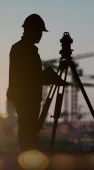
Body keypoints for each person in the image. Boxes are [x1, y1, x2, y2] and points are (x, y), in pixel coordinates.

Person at [7, 14, 66, 151]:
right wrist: (48, 76)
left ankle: (30, 156)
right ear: (30, 30)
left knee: (30, 130)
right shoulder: (23, 49)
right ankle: (28, 158)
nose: (40, 35)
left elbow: (30, 75)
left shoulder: (24, 49)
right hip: (26, 98)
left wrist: (47, 76)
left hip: (28, 97)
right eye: (39, 31)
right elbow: (28, 76)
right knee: (28, 132)